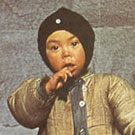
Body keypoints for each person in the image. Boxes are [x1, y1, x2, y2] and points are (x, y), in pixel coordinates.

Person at [7, 7, 135, 135]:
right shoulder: (47, 93)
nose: (66, 53)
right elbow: (24, 113)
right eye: (55, 47)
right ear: (45, 56)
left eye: (74, 44)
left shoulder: (110, 85)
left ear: (87, 47)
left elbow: (131, 118)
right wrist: (45, 90)